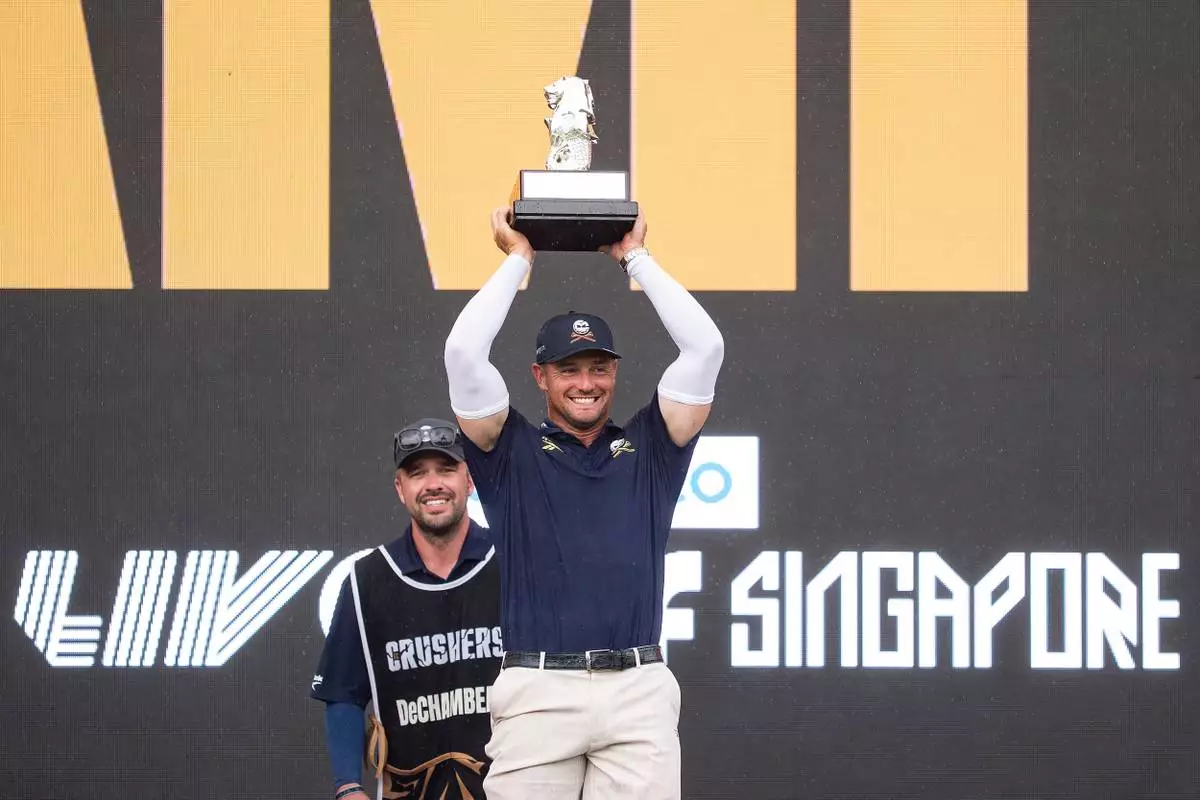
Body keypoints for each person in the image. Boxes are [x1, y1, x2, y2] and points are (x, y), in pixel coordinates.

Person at [442, 208, 725, 799]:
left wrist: (636, 259)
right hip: (539, 688)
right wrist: (518, 258)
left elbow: (705, 348)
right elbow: (463, 354)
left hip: (638, 689)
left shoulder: (652, 446)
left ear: (615, 372)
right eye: (568, 369)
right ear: (540, 376)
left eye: (599, 368)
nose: (586, 383)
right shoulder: (508, 448)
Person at [311, 419, 502, 800]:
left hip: (509, 788)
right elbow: (343, 692)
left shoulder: (511, 562)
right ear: (400, 489)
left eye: (446, 470)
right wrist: (348, 787)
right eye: (417, 474)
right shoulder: (367, 579)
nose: (433, 484)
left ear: (470, 481)